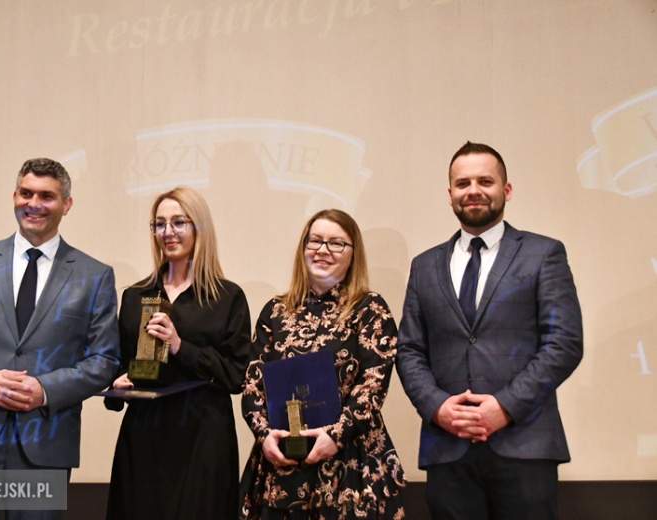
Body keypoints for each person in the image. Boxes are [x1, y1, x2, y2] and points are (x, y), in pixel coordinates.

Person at [396, 142, 583, 520]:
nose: (474, 190)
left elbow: (563, 343)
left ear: (506, 190)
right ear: (450, 195)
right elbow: (410, 350)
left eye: (485, 181)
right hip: (447, 448)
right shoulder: (424, 266)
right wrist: (437, 408)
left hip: (525, 445)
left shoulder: (543, 254)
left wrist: (505, 407)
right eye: (463, 183)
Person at [0, 158, 121, 520]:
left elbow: (105, 360)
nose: (33, 204)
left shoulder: (95, 276)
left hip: (46, 446)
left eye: (47, 196)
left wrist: (44, 390)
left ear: (67, 205)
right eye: (26, 193)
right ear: (14, 196)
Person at [239, 209, 406, 520]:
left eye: (336, 243)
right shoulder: (275, 311)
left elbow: (373, 385)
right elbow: (252, 384)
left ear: (353, 253)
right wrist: (264, 437)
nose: (323, 250)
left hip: (350, 465)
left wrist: (335, 435)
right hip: (281, 466)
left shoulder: (370, 309)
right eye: (315, 241)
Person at [104, 186, 251, 520]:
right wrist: (118, 383)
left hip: (202, 439)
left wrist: (181, 347)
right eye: (159, 224)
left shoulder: (227, 298)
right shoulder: (135, 296)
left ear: (200, 228)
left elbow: (236, 375)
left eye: (179, 222)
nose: (168, 232)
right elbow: (117, 365)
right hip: (143, 437)